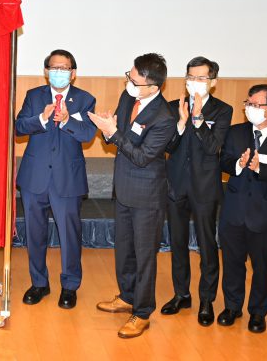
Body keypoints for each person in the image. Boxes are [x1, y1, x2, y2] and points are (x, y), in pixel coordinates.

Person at [89, 53, 177, 339]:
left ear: (153, 86)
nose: (128, 81)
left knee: (144, 256)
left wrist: (113, 134)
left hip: (148, 196)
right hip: (124, 188)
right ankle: (126, 296)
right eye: (129, 75)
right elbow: (118, 136)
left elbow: (142, 156)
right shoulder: (128, 98)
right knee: (124, 250)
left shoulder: (164, 117)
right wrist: (107, 129)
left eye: (134, 79)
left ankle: (142, 312)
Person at [15, 49, 97, 309]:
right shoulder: (34, 96)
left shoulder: (85, 100)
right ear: (46, 71)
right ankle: (39, 283)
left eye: (64, 68)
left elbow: (87, 134)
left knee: (70, 235)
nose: (59, 72)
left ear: (73, 73)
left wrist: (64, 121)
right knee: (35, 233)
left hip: (67, 179)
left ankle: (70, 286)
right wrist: (41, 118)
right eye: (54, 67)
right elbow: (18, 127)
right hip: (34, 177)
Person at [217, 84, 267, 334]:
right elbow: (223, 160)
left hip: (265, 215)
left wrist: (260, 168)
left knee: (263, 267)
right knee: (232, 263)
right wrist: (238, 164)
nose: (250, 109)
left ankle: (258, 313)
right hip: (234, 211)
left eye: (256, 105)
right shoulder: (235, 132)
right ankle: (232, 307)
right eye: (248, 104)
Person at [161, 57, 232, 326]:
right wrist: (180, 123)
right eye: (191, 77)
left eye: (201, 78)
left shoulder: (222, 111)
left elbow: (214, 148)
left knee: (207, 245)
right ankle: (182, 294)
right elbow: (168, 146)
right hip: (176, 184)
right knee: (177, 242)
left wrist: (198, 119)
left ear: (212, 82)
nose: (195, 82)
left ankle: (206, 299)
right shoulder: (172, 107)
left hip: (204, 188)